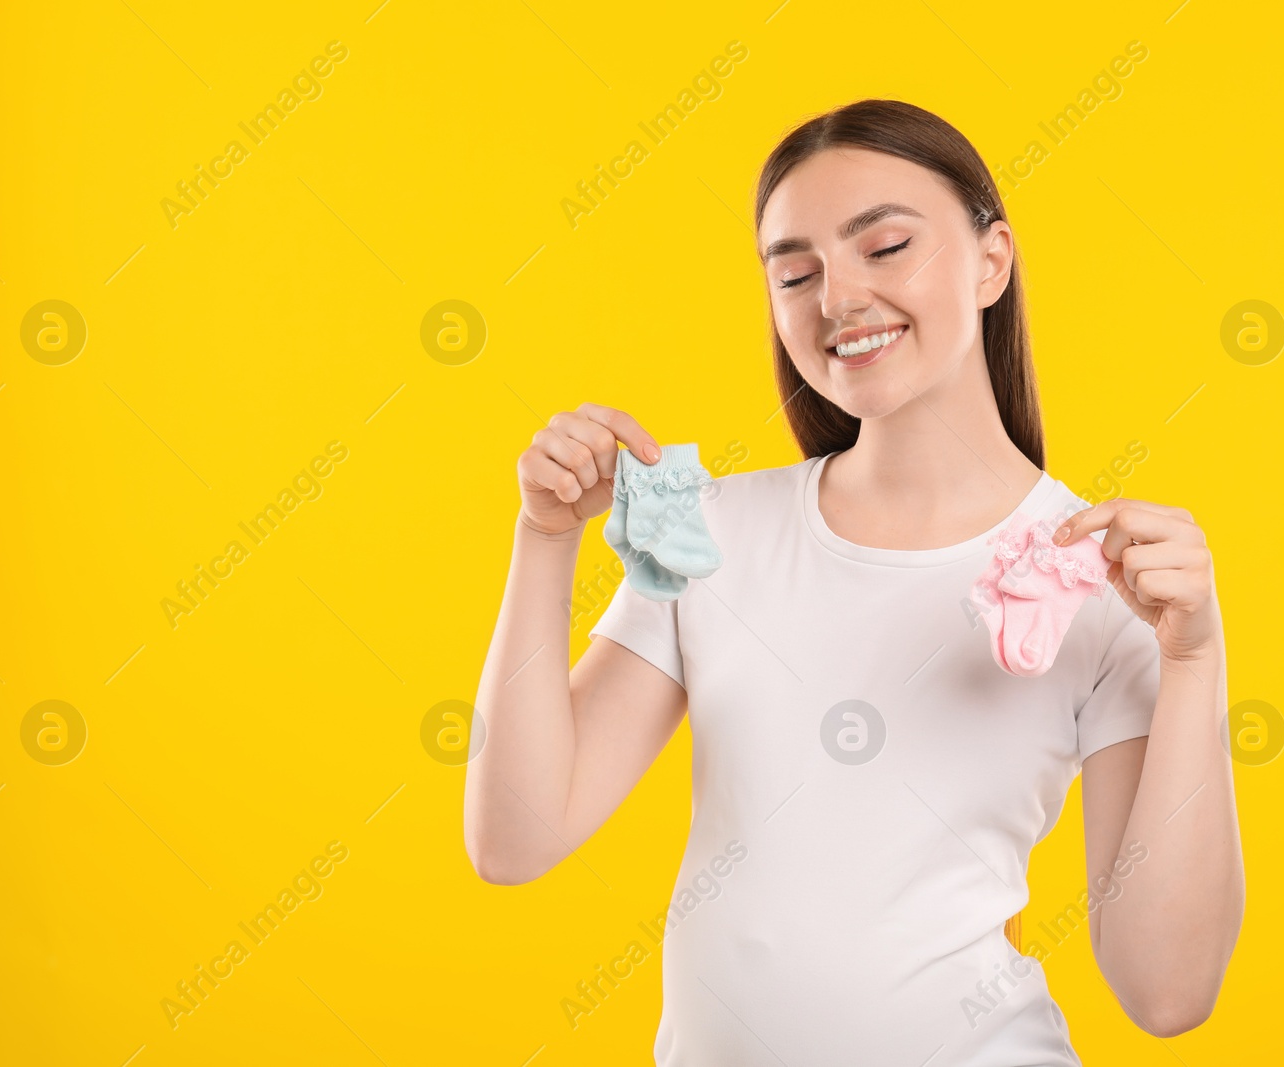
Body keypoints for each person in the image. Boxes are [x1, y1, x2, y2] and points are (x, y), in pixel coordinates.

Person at [464, 98, 1243, 1065]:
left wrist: (1196, 660)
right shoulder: (713, 534)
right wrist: (544, 540)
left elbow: (1166, 990)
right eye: (795, 272)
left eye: (884, 247)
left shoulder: (1106, 580)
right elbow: (515, 839)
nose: (836, 297)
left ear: (992, 260)